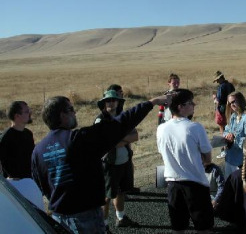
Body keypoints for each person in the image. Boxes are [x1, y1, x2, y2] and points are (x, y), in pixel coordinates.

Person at [31, 94, 169, 234]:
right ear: (62, 115)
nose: (75, 112)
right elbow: (120, 124)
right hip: (86, 218)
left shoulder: (37, 151)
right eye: (71, 109)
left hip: (58, 219)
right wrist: (152, 102)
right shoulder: (79, 140)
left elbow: (42, 187)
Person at [157, 89, 214, 234]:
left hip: (173, 184)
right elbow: (208, 158)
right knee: (203, 228)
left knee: (178, 227)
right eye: (190, 103)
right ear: (180, 107)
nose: (194, 105)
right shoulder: (195, 127)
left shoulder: (161, 128)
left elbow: (162, 152)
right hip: (196, 183)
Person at [94, 90, 139, 229]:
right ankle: (104, 225)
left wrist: (118, 140)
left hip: (124, 161)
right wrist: (123, 139)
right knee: (106, 197)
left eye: (114, 100)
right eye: (108, 100)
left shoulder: (123, 117)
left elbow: (135, 136)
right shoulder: (100, 120)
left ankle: (121, 218)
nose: (111, 103)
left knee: (121, 192)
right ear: (104, 103)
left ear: (118, 102)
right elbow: (106, 143)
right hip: (109, 164)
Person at [0, 101, 44, 210]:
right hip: (16, 184)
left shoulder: (28, 134)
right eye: (26, 111)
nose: (30, 113)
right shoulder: (5, 137)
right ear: (17, 116)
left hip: (30, 182)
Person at [222, 91, 246, 179]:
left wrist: (235, 139)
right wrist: (227, 135)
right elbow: (226, 130)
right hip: (230, 158)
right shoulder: (233, 117)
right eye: (230, 103)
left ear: (240, 100)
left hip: (241, 161)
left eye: (234, 101)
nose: (232, 105)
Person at [212, 71, 235, 135]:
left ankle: (224, 140)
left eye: (217, 80)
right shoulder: (230, 85)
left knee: (222, 126)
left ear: (220, 78)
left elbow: (219, 101)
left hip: (222, 109)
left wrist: (215, 98)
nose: (217, 81)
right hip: (232, 107)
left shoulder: (221, 87)